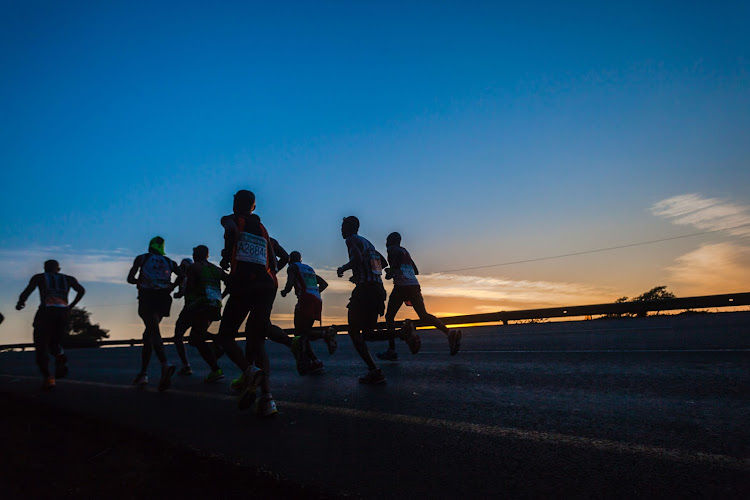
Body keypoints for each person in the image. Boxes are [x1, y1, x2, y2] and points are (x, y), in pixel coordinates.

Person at [336, 216, 419, 384]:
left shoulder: (351, 240)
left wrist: (344, 268)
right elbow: (381, 262)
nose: (341, 230)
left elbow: (358, 258)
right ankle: (403, 333)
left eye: (343, 226)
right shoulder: (368, 243)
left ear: (350, 227)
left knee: (353, 331)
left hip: (365, 290)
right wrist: (363, 273)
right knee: (368, 334)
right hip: (378, 289)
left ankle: (374, 370)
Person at [218, 190, 277, 416]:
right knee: (257, 340)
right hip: (266, 285)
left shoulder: (230, 220)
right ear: (254, 206)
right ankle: (267, 399)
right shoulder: (263, 230)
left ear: (234, 204)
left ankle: (248, 371)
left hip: (244, 284)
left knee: (225, 336)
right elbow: (273, 260)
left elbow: (230, 231)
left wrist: (226, 254)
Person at [379, 232, 461, 360]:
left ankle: (392, 350)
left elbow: (395, 269)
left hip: (402, 286)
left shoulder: (392, 249)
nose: (385, 243)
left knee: (389, 316)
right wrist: (398, 269)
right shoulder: (405, 251)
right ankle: (449, 332)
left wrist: (390, 272)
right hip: (414, 285)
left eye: (387, 240)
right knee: (423, 315)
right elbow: (415, 271)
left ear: (391, 241)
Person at [16, 260, 85, 390]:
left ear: (45, 268)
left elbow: (27, 291)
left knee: (41, 345)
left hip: (46, 312)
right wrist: (70, 306)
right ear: (58, 269)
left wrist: (21, 302)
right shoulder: (69, 279)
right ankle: (60, 355)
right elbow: (81, 291)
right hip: (62, 313)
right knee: (54, 343)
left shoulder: (40, 277)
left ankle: (49, 378)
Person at [127, 236, 184, 392]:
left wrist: (139, 281)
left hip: (148, 296)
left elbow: (130, 278)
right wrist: (172, 285)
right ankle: (143, 373)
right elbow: (183, 275)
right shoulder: (170, 262)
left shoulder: (142, 258)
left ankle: (165, 364)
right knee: (149, 334)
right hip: (164, 298)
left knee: (153, 330)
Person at [173, 246, 226, 383]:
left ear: (197, 254)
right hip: (213, 307)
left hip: (195, 306)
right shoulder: (216, 269)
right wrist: (221, 296)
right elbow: (231, 281)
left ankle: (192, 366)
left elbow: (190, 287)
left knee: (181, 334)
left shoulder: (194, 268)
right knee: (195, 338)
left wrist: (181, 292)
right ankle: (217, 343)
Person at [280, 251, 334, 375]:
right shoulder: (309, 269)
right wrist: (315, 292)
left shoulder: (293, 267)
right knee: (303, 334)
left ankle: (324, 334)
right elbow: (324, 284)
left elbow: (290, 283)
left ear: (290, 260)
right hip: (316, 300)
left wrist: (285, 291)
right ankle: (316, 362)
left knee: (299, 334)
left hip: (305, 300)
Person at [173, 257, 194, 375]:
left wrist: (176, 293)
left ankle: (186, 365)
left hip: (190, 308)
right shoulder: (197, 274)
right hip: (203, 307)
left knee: (178, 335)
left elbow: (180, 294)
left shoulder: (184, 278)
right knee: (197, 336)